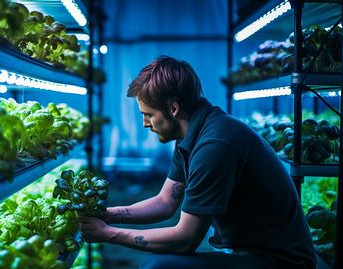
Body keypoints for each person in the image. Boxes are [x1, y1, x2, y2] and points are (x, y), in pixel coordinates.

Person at [79, 56, 316, 269]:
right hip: (249, 251)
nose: (144, 123)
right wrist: (106, 215)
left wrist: (108, 234)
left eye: (149, 114)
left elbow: (186, 240)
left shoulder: (215, 144)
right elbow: (164, 202)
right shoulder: (192, 133)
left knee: (158, 267)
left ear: (173, 108)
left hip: (281, 261)